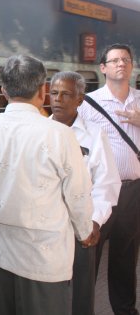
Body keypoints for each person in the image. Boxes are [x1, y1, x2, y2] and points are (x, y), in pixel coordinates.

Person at [0, 55, 94, 315]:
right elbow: (78, 195)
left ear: (4, 91)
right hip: (43, 263)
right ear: (43, 90)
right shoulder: (60, 135)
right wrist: (85, 232)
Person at [49, 71, 121, 315]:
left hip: (81, 229)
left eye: (66, 94)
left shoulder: (95, 134)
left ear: (80, 100)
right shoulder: (40, 132)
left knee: (81, 296)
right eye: (54, 93)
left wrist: (94, 221)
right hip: (45, 229)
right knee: (49, 295)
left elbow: (107, 182)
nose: (58, 99)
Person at [77, 43, 140, 315]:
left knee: (126, 258)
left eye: (126, 59)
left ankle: (125, 311)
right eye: (114, 60)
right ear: (103, 68)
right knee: (90, 256)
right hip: (99, 193)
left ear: (132, 66)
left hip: (133, 191)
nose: (121, 63)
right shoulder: (88, 104)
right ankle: (81, 309)